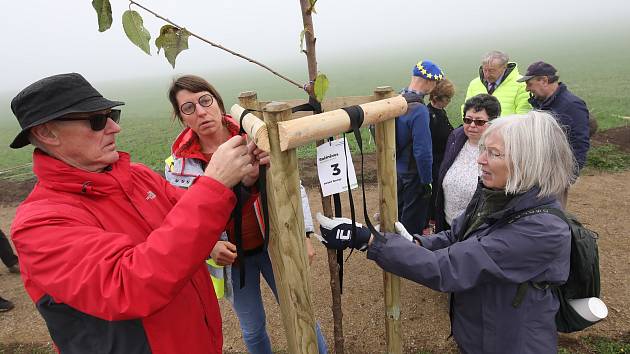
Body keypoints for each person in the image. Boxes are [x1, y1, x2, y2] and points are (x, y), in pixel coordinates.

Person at [8, 73, 266, 353]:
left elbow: (202, 221)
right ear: (47, 133)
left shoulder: (137, 177)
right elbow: (127, 285)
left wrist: (241, 183)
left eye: (111, 116)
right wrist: (214, 183)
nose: (113, 128)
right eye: (96, 121)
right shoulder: (40, 224)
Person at [318, 110, 574, 354]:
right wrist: (415, 243)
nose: (480, 159)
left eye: (494, 153)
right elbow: (455, 237)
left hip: (513, 342)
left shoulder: (541, 231)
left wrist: (369, 240)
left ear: (529, 163)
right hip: (483, 331)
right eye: (483, 149)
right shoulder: (495, 195)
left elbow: (449, 268)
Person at [164, 75, 327, 354]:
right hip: (233, 261)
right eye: (188, 108)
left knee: (302, 311)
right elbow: (182, 217)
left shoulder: (254, 136)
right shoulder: (178, 166)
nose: (201, 111)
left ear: (217, 102)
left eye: (205, 100)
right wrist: (210, 246)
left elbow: (291, 184)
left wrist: (304, 234)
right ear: (182, 118)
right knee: (252, 328)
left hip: (274, 245)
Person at [517, 61, 589, 207]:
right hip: (536, 170)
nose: (526, 89)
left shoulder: (572, 105)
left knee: (551, 216)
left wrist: (568, 177)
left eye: (529, 84)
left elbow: (580, 142)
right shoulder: (540, 104)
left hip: (555, 175)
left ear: (544, 80)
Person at [434, 94, 501, 232]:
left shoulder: (501, 149)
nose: (472, 125)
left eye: (479, 122)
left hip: (477, 230)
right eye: (467, 120)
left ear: (494, 122)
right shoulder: (456, 137)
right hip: (448, 224)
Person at [396, 59, 444, 235]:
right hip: (414, 174)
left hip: (396, 170)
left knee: (396, 216)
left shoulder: (396, 100)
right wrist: (427, 181)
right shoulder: (419, 110)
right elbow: (423, 151)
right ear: (430, 81)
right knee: (411, 224)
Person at [426, 78, 456, 231]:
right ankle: (432, 222)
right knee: (436, 194)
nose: (449, 101)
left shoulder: (440, 112)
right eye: (447, 98)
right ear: (437, 97)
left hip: (442, 160)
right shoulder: (429, 115)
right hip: (435, 162)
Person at [463, 50, 530, 116]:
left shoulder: (522, 84)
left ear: (504, 67)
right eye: (485, 70)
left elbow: (523, 115)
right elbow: (466, 110)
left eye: (491, 70)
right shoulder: (474, 84)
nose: (487, 74)